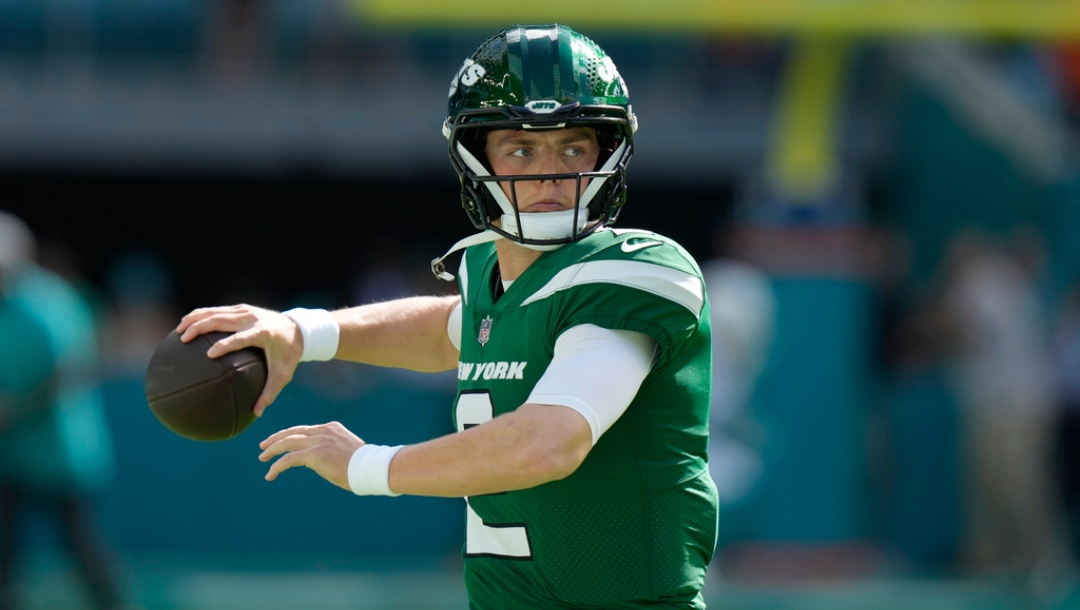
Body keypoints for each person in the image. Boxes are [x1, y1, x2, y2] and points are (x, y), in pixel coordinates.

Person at [177, 24, 718, 608]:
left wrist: (367, 465)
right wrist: (303, 330)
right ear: (475, 155)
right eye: (522, 148)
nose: (550, 172)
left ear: (607, 153)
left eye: (573, 147)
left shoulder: (632, 272)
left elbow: (547, 443)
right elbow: (447, 330)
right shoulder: (492, 272)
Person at [0, 211, 125, 610]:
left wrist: (15, 408)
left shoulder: (50, 301)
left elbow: (68, 367)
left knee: (80, 544)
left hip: (60, 451)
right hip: (12, 454)